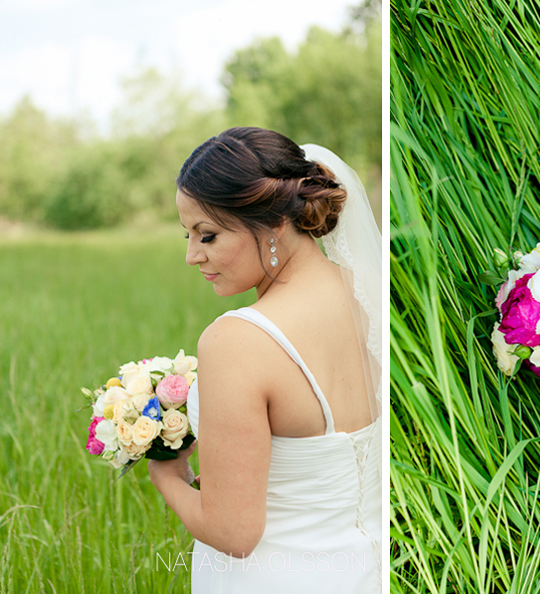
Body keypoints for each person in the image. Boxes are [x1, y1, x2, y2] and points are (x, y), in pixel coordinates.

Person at [147, 127, 382, 593]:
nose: (192, 256)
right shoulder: (366, 292)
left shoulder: (237, 342)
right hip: (365, 570)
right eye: (188, 234)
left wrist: (168, 476)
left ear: (274, 222)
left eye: (208, 235)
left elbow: (234, 533)